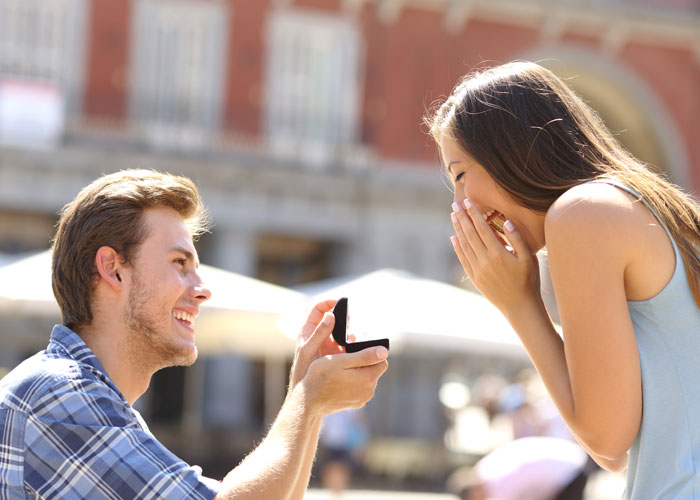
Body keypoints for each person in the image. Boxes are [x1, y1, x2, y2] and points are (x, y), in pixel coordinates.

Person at [0, 169, 389, 499]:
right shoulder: (59, 393)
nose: (202, 288)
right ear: (113, 268)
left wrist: (310, 398)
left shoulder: (90, 400)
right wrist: (305, 400)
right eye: (179, 262)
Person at [426, 61, 700, 499]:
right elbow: (613, 446)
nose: (460, 204)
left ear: (511, 151)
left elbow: (607, 442)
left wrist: (519, 304)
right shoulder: (648, 208)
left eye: (459, 175)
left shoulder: (582, 214)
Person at [446, 436, 591, 500]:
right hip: (568, 457)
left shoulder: (499, 485)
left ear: (474, 492)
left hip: (568, 473)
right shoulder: (484, 468)